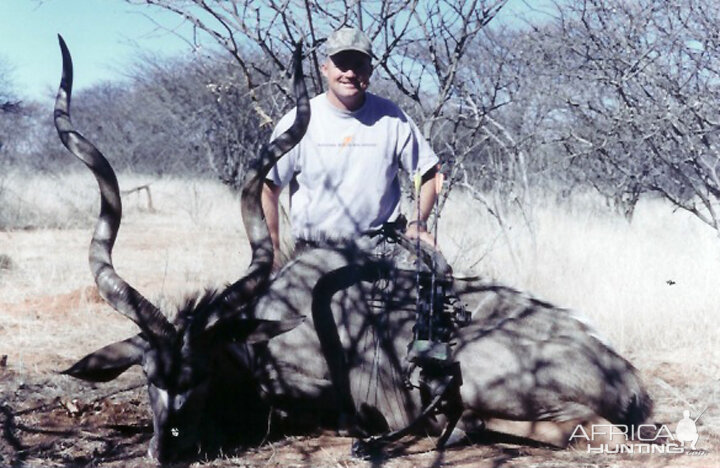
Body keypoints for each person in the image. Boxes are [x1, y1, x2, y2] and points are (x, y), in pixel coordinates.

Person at [262, 26, 440, 270]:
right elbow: (267, 188)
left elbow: (430, 172)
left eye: (359, 65)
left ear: (370, 71)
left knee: (437, 276)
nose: (350, 73)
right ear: (325, 69)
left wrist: (417, 224)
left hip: (380, 247)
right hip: (314, 254)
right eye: (342, 64)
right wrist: (272, 252)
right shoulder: (296, 122)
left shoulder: (392, 118)